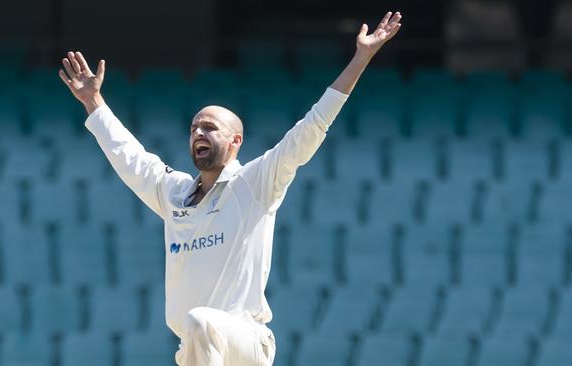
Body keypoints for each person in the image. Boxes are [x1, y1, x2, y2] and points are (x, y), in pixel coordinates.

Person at [58, 11, 401, 366]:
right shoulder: (174, 192)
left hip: (247, 342)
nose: (198, 134)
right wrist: (92, 102)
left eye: (209, 128)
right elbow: (128, 156)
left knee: (201, 320)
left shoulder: (254, 183)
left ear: (236, 140)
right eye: (193, 129)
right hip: (195, 349)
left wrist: (362, 57)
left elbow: (312, 127)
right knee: (196, 326)